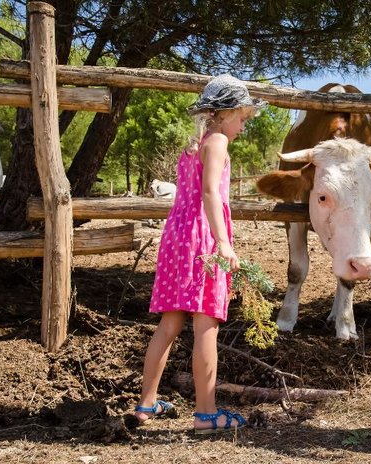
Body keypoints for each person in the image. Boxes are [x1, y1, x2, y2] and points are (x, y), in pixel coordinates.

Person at [134, 74, 266, 434]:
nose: (243, 126)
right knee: (205, 323)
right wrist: (223, 242)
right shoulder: (219, 141)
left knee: (170, 323)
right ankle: (206, 414)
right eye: (243, 118)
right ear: (225, 114)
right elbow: (210, 193)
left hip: (176, 236)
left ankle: (146, 403)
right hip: (202, 239)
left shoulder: (197, 143)